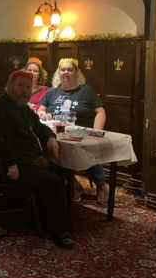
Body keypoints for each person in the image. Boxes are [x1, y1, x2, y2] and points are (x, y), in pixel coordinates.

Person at [0, 71, 73, 250]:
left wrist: (50, 137)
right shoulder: (0, 105)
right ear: (9, 87)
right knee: (54, 182)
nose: (24, 91)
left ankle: (41, 217)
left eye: (28, 87)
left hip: (24, 161)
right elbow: (2, 139)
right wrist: (11, 164)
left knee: (60, 169)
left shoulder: (22, 106)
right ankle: (60, 232)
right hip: (8, 166)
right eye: (20, 86)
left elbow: (39, 126)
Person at [38, 58, 108, 205]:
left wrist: (95, 132)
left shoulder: (86, 90)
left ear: (77, 73)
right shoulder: (52, 92)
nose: (66, 72)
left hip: (81, 133)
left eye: (70, 69)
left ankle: (101, 185)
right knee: (54, 149)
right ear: (58, 73)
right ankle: (72, 183)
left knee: (83, 149)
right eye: (62, 69)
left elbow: (100, 112)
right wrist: (43, 114)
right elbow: (40, 110)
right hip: (57, 133)